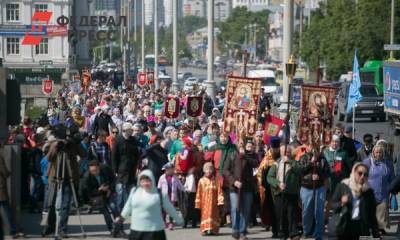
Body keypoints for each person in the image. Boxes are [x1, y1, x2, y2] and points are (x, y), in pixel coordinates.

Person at [116, 170, 183, 240]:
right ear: (139, 182)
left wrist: (179, 220)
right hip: (136, 231)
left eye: (148, 181)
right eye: (143, 181)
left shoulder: (160, 194)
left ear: (153, 181)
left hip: (155, 232)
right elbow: (128, 206)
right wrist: (121, 218)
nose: (145, 183)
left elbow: (170, 208)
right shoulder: (134, 192)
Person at [330, 163, 380, 239]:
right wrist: (341, 203)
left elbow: (372, 215)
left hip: (362, 229)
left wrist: (376, 234)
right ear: (354, 172)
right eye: (360, 173)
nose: (362, 176)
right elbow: (333, 204)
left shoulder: (368, 192)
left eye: (365, 174)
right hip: (344, 226)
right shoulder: (343, 186)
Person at [223, 139, 259, 240]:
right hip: (235, 187)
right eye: (240, 143)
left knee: (246, 210)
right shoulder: (232, 154)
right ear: (237, 144)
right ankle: (235, 230)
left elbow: (256, 164)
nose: (242, 145)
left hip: (247, 187)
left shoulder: (251, 155)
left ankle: (243, 231)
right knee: (235, 209)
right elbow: (225, 170)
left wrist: (245, 156)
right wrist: (234, 181)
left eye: (243, 143)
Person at [267, 145, 301, 239]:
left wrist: (289, 161)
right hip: (280, 192)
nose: (286, 153)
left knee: (291, 213)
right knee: (281, 214)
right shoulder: (276, 164)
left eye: (288, 152)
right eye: (284, 152)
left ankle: (293, 233)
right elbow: (269, 177)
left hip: (292, 192)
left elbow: (300, 170)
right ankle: (283, 233)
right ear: (281, 153)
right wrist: (278, 183)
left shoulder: (295, 162)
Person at [79, 161, 119, 236]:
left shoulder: (106, 169)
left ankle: (119, 228)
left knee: (114, 207)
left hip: (109, 191)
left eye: (95, 170)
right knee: (105, 212)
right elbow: (89, 192)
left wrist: (109, 188)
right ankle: (111, 229)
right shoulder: (87, 177)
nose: (94, 172)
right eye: (92, 171)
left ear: (99, 168)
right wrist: (99, 190)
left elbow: (114, 180)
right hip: (97, 196)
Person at [299, 147, 330, 240]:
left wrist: (319, 176)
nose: (315, 151)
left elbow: (327, 173)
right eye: (313, 148)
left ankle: (318, 234)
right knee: (306, 211)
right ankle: (306, 231)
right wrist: (310, 163)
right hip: (306, 188)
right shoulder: (304, 157)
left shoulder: (323, 159)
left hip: (319, 188)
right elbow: (301, 171)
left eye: (317, 149)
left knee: (319, 211)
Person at [363, 145, 394, 234]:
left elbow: (392, 178)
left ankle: (379, 229)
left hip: (384, 193)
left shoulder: (388, 164)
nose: (378, 154)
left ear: (383, 153)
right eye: (376, 152)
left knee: (382, 212)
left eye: (380, 152)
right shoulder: (367, 162)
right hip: (370, 192)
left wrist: (392, 189)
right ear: (373, 153)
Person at [112, 122, 140, 212]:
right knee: (120, 190)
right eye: (130, 130)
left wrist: (137, 167)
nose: (132, 131)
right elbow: (114, 156)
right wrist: (114, 170)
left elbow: (137, 155)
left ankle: (129, 208)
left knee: (130, 189)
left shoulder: (133, 140)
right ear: (125, 130)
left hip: (131, 168)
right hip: (121, 169)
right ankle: (118, 209)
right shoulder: (118, 140)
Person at [256, 136, 280, 236]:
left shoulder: (282, 158)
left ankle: (281, 229)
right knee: (272, 210)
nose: (275, 150)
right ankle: (275, 230)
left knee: (280, 209)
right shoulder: (266, 160)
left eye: (277, 149)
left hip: (280, 188)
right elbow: (260, 174)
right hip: (269, 190)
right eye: (273, 148)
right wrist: (262, 186)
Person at [195, 162, 224, 236]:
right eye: (207, 169)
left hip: (214, 203)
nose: (209, 171)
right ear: (204, 170)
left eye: (210, 169)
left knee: (214, 215)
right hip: (205, 203)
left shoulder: (216, 180)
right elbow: (199, 193)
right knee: (205, 216)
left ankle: (213, 229)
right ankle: (205, 229)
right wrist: (198, 203)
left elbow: (219, 191)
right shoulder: (201, 181)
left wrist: (220, 200)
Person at [157, 162, 185, 230]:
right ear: (165, 170)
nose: (171, 171)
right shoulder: (162, 177)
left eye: (172, 169)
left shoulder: (175, 177)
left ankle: (171, 223)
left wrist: (184, 190)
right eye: (169, 169)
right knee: (163, 210)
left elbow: (179, 186)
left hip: (172, 197)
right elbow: (159, 187)